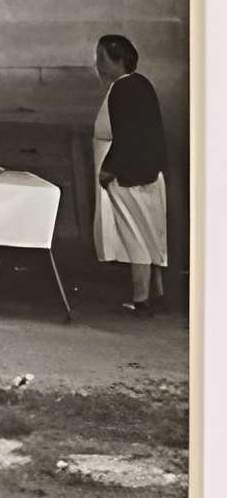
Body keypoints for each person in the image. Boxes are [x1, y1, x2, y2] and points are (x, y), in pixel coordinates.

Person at [93, 32, 170, 314]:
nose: (97, 64)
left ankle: (141, 299)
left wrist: (109, 169)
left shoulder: (123, 89)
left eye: (101, 57)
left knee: (135, 235)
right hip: (147, 171)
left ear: (117, 61)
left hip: (128, 174)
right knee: (149, 234)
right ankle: (156, 293)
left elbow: (127, 135)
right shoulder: (140, 84)